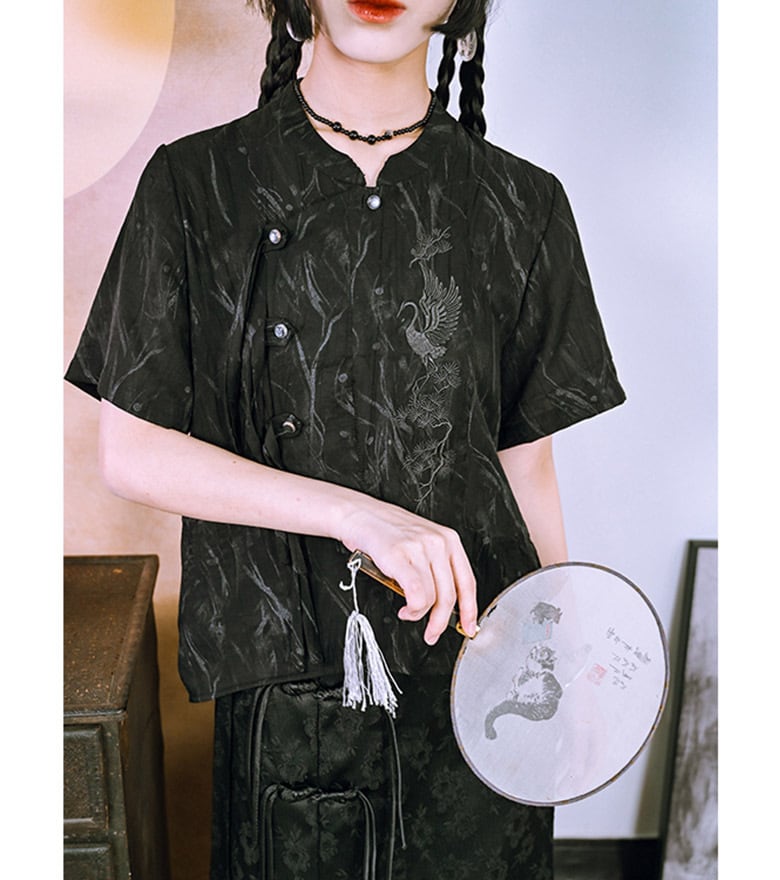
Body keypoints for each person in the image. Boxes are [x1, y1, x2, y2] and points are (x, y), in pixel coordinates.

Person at [65, 0, 626, 877]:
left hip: (481, 678)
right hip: (295, 701)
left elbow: (528, 468)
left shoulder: (524, 203)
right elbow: (132, 451)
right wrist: (361, 518)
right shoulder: (196, 183)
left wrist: (559, 649)